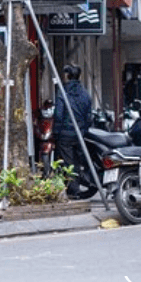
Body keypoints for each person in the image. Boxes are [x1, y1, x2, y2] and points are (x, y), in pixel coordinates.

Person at [53, 64, 93, 198]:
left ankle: (73, 190)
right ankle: (80, 184)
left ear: (68, 76)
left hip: (65, 134)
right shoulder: (85, 93)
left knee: (69, 163)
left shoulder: (63, 92)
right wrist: (83, 130)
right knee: (76, 161)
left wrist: (56, 132)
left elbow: (58, 114)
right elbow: (89, 116)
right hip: (80, 134)